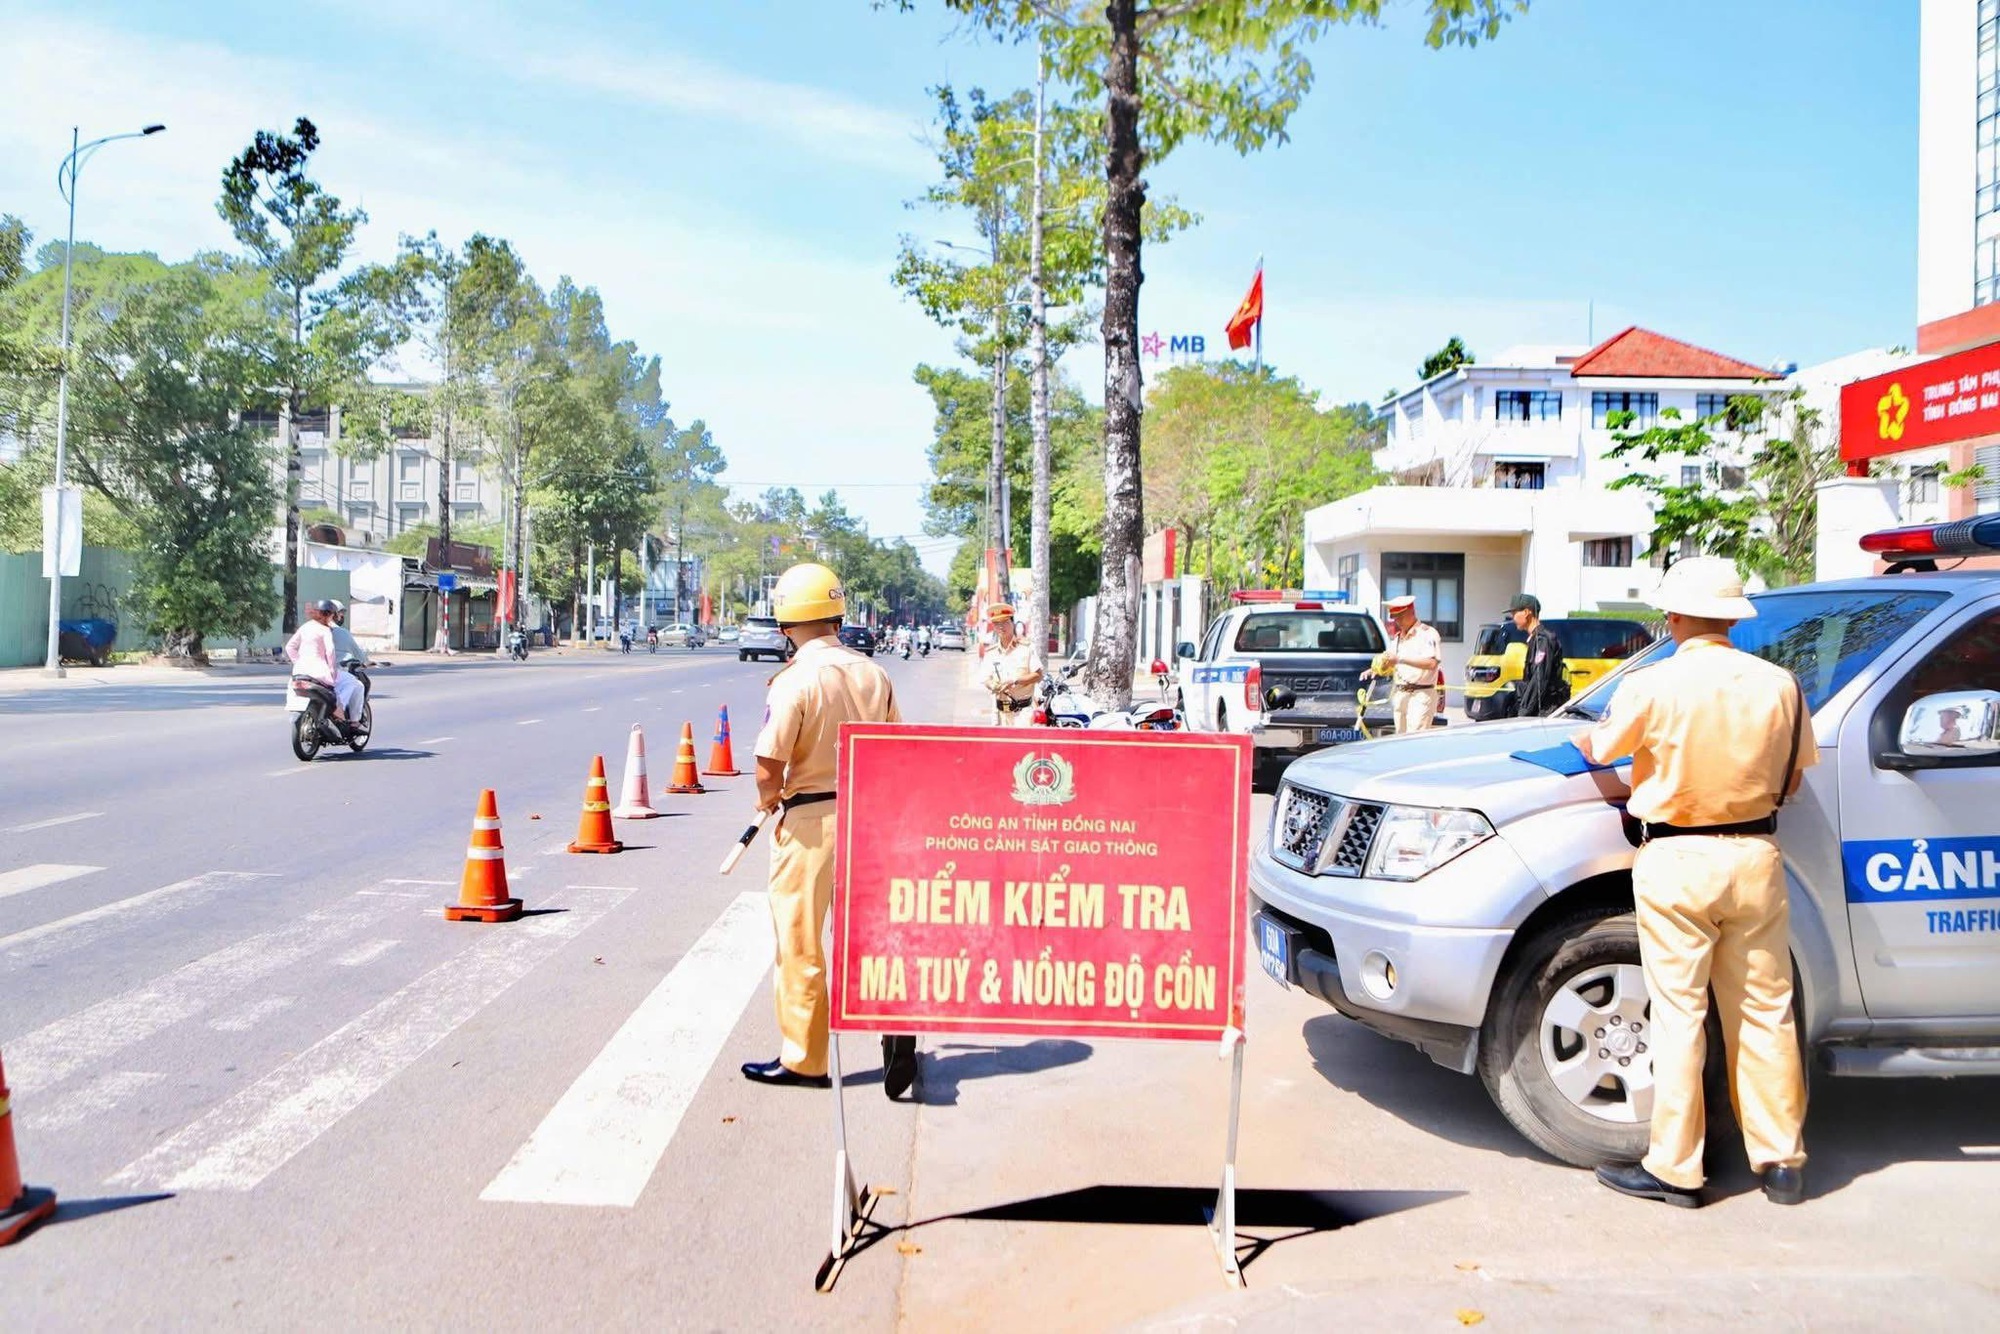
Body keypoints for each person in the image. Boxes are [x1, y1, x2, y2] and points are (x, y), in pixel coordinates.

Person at [1577, 556, 1817, 1209]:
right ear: (1733, 617)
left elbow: (1601, 750)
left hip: (1676, 860)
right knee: (1765, 1010)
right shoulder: (1781, 686)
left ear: (1674, 615)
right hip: (1754, 857)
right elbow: (1793, 780)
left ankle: (1677, 1170)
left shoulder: (1653, 684)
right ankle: (1781, 1162)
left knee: (1681, 1014)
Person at [745, 562, 918, 1099]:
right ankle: (895, 1027)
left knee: (801, 940)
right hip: (869, 818)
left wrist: (768, 802)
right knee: (875, 937)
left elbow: (769, 764)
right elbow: (896, 749)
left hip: (811, 825)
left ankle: (805, 1059)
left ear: (786, 625)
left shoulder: (796, 679)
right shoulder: (874, 673)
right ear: (838, 615)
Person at [1368, 595, 1442, 734]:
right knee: (1400, 739)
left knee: (1415, 739)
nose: (1398, 621)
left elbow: (1432, 663)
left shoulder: (1427, 634)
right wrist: (1375, 669)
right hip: (1401, 694)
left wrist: (1400, 659)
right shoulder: (1397, 638)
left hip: (1421, 694)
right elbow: (1389, 661)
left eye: (1401, 617)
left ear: (1412, 612)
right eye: (1395, 617)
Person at [285, 599, 364, 725]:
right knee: (354, 683)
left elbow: (289, 647)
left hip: (299, 672)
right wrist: (332, 671)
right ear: (330, 615)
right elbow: (330, 653)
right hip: (319, 672)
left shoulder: (305, 627)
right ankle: (341, 712)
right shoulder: (325, 630)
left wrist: (298, 662)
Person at [1506, 593, 1571, 718]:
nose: (1512, 618)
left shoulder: (1543, 640)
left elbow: (1539, 679)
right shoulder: (1535, 639)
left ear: (1526, 612)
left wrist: (1524, 712)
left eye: (1514, 613)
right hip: (1538, 709)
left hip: (1545, 712)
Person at [983, 605, 1044, 727]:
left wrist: (1015, 681)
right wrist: (993, 685)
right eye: (996, 623)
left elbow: (1038, 675)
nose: (1001, 627)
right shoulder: (991, 653)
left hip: (1022, 715)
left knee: (1023, 746)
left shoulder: (1026, 649)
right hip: (1000, 713)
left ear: (1012, 624)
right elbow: (986, 678)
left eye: (1005, 622)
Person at [327, 601, 366, 669]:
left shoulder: (309, 630)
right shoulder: (342, 633)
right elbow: (359, 656)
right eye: (341, 613)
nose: (342, 616)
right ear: (334, 614)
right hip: (337, 673)